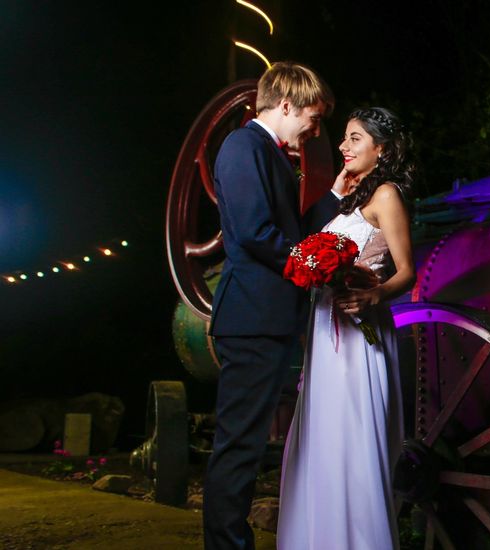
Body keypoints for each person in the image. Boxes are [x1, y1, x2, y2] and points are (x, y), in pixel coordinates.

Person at [204, 61, 340, 550]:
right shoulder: (243, 147)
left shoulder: (273, 155)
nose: (316, 129)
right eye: (313, 117)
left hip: (270, 319)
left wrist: (338, 193)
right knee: (238, 446)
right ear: (286, 104)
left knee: (248, 443)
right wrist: (314, 266)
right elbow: (258, 234)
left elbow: (291, 230)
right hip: (251, 319)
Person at [277, 107, 417, 550]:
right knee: (322, 436)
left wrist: (374, 295)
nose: (343, 146)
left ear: (383, 149)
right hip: (324, 333)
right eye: (344, 138)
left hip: (359, 334)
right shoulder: (351, 197)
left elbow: (406, 272)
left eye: (355, 139)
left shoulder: (388, 196)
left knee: (352, 439)